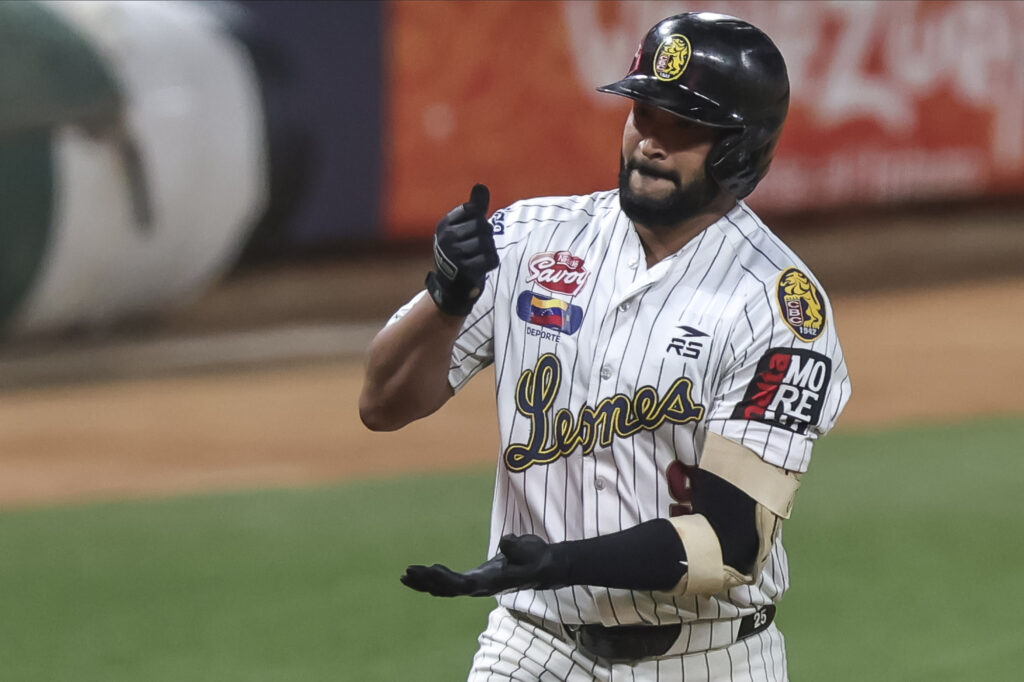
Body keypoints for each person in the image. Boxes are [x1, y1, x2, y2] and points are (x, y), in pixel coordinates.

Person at [360, 11, 851, 681]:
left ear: (740, 148)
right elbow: (383, 404)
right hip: (533, 645)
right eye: (644, 114)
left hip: (709, 658)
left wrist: (561, 561)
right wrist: (445, 300)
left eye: (684, 127)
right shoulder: (530, 238)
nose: (651, 142)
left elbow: (730, 542)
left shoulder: (779, 307)